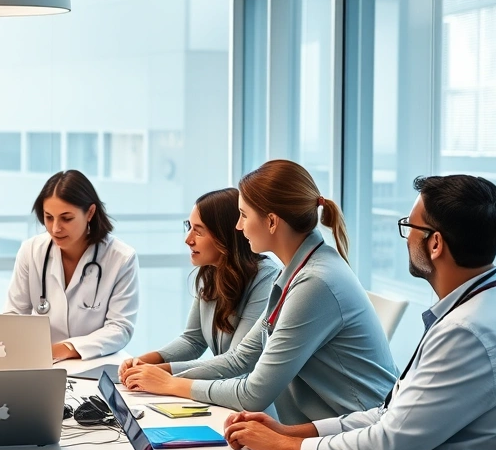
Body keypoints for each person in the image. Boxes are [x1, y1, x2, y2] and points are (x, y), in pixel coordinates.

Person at [224, 174, 496, 450]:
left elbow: (388, 447)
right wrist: (293, 432)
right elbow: (390, 415)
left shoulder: (466, 333)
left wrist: (289, 447)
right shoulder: (488, 309)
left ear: (435, 243)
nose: (406, 239)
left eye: (410, 227)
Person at [122, 160, 396, 424]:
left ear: (272, 222)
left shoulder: (314, 283)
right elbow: (240, 358)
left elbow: (253, 393)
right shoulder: (297, 273)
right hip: (325, 430)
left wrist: (171, 384)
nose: (238, 226)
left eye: (243, 215)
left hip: (357, 437)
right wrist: (160, 374)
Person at [118, 188, 279, 375]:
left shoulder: (266, 278)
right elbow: (193, 340)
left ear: (225, 236)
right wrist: (145, 361)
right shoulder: (211, 272)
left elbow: (239, 361)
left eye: (199, 231)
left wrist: (162, 372)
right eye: (189, 227)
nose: (188, 240)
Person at [5, 170, 139, 360]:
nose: (55, 228)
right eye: (48, 217)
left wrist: (65, 349)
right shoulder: (31, 251)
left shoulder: (121, 258)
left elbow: (120, 328)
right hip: (42, 362)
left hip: (94, 363)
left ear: (90, 213)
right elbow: (14, 315)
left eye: (66, 218)